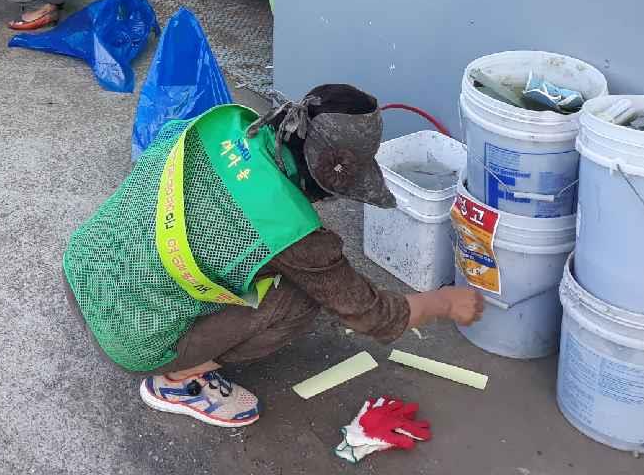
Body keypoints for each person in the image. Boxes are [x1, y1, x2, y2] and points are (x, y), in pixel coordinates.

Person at [63, 86, 485, 429]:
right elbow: (371, 314)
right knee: (302, 300)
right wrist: (444, 303)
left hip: (84, 266)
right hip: (130, 337)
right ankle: (177, 380)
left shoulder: (227, 124)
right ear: (324, 176)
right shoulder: (290, 232)